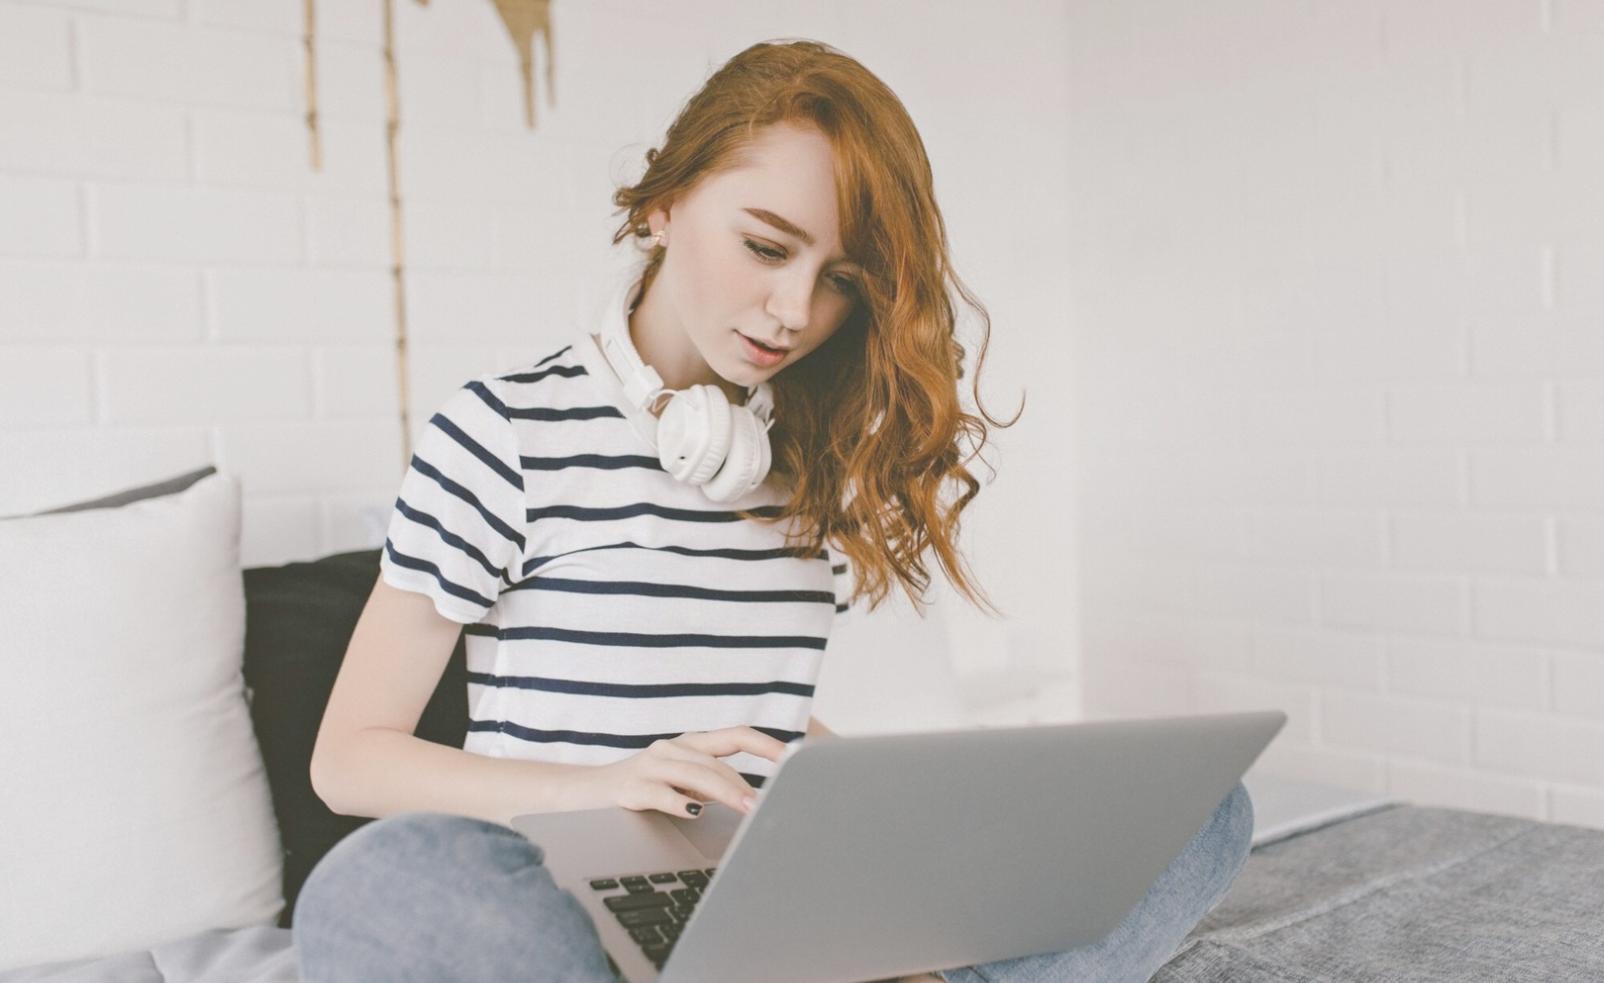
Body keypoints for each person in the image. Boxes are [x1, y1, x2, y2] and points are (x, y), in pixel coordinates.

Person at [292, 37, 1253, 983]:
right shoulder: (507, 429)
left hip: (775, 902)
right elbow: (349, 760)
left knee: (1204, 814)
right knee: (385, 885)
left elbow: (765, 723)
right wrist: (600, 789)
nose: (796, 309)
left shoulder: (799, 467)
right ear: (665, 203)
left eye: (841, 280)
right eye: (765, 246)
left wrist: (900, 800)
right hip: (568, 899)